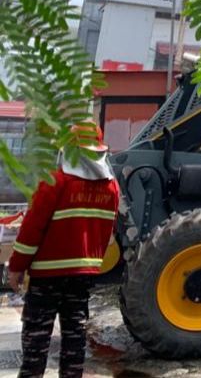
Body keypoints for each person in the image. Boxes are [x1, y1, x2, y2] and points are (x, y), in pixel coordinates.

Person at [9, 124, 119, 378]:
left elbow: (31, 231)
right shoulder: (112, 189)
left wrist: (16, 267)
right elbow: (106, 234)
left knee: (36, 341)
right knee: (75, 336)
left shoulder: (55, 182)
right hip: (82, 276)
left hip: (47, 276)